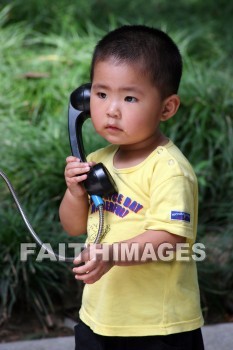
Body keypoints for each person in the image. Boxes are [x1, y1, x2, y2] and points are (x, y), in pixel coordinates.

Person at [59, 25, 205, 350]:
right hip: (99, 318)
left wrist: (111, 254)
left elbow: (169, 238)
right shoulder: (97, 161)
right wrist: (75, 192)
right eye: (100, 94)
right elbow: (72, 227)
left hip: (156, 327)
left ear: (166, 108)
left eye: (129, 97)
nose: (111, 109)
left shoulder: (168, 169)